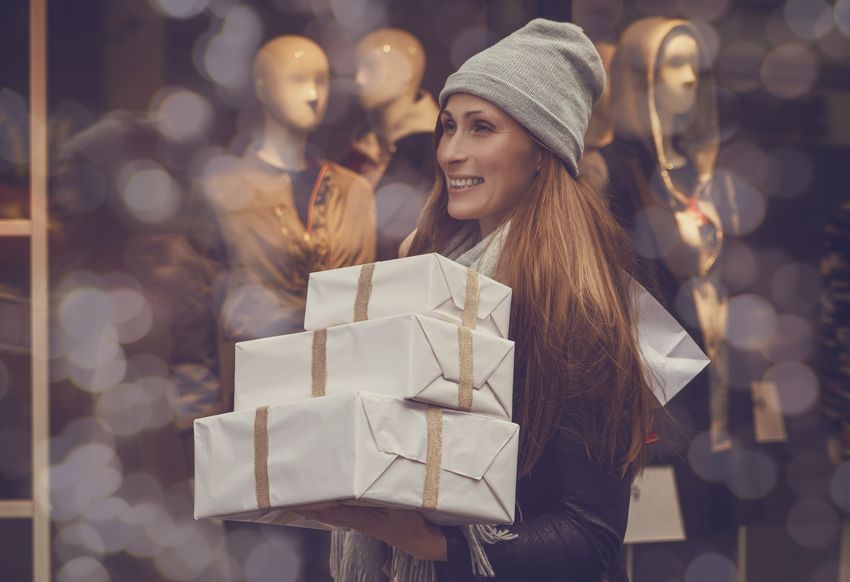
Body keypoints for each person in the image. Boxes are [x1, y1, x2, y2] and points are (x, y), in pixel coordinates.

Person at [299, 20, 656, 582]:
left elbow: (591, 535)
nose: (451, 152)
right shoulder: (429, 274)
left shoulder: (574, 300)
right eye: (448, 128)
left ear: (542, 150)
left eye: (481, 128)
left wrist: (434, 547)